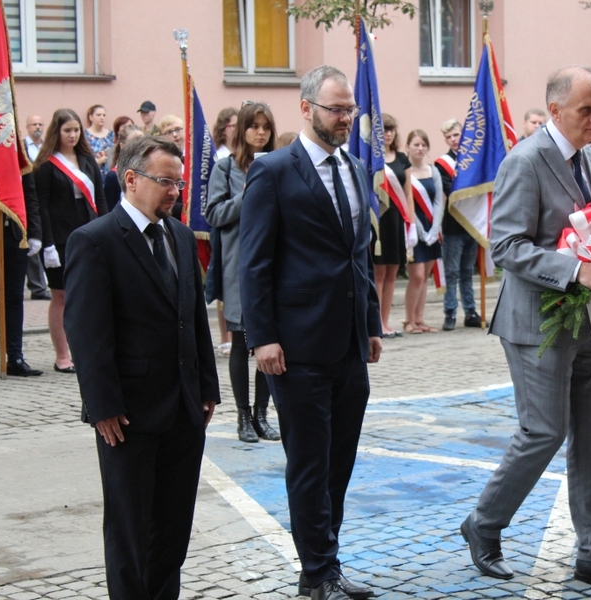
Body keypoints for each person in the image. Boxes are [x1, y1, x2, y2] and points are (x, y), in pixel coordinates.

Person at [459, 65, 591, 590]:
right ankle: (483, 524)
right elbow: (505, 246)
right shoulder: (524, 160)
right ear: (554, 112)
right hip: (538, 322)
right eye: (587, 111)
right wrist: (572, 270)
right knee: (543, 431)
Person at [239, 65, 381, 600]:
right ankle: (320, 573)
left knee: (338, 465)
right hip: (294, 347)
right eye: (336, 110)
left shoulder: (355, 168)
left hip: (347, 344)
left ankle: (322, 566)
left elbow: (358, 254)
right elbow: (253, 263)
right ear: (306, 108)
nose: (346, 119)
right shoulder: (273, 170)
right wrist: (262, 337)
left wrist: (369, 323)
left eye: (350, 110)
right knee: (309, 463)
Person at [63, 135, 221, 599]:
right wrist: (101, 406)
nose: (175, 192)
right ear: (130, 179)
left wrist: (206, 385)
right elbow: (87, 333)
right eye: (165, 181)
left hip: (184, 409)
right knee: (131, 535)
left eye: (180, 182)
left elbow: (193, 316)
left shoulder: (178, 234)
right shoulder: (95, 241)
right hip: (128, 415)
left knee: (172, 534)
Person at [205, 101, 280, 444]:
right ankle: (243, 416)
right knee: (241, 340)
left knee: (269, 338)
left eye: (266, 126)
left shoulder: (281, 164)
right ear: (241, 130)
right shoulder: (225, 169)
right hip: (239, 262)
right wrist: (247, 195)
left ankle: (263, 413)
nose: (260, 132)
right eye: (254, 126)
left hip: (274, 261)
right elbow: (214, 214)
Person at [34, 109, 108, 374]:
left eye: (76, 130)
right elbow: (42, 206)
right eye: (67, 130)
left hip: (88, 231)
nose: (73, 135)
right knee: (61, 295)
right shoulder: (45, 165)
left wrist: (108, 231)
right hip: (60, 236)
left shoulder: (87, 160)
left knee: (90, 294)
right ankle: (62, 355)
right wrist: (47, 243)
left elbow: (99, 199)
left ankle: (86, 351)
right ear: (57, 132)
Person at [0, 172, 44, 378]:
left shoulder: (16, 153)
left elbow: (30, 195)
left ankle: (15, 357)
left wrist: (35, 232)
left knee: (14, 298)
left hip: (15, 234)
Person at [435, 118, 482, 330]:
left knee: (467, 271)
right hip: (453, 224)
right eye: (449, 137)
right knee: (451, 272)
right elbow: (450, 189)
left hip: (473, 222)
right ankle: (450, 312)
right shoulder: (442, 163)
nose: (454, 140)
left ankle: (471, 312)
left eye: (456, 135)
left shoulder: (474, 160)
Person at [376, 113, 414, 337]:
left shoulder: (402, 160)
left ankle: (385, 321)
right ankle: (376, 324)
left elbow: (408, 194)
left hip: (397, 222)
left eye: (390, 130)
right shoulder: (372, 159)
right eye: (383, 130)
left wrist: (412, 224)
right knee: (378, 274)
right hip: (379, 223)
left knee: (392, 272)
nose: (388, 134)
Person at [403, 129, 443, 334]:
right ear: (407, 147)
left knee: (425, 275)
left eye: (423, 145)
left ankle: (419, 319)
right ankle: (408, 320)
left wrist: (435, 229)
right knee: (416, 275)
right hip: (412, 229)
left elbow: (438, 201)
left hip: (432, 230)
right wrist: (420, 231)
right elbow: (407, 202)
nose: (420, 148)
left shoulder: (433, 170)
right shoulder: (404, 172)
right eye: (416, 144)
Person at [23, 115, 51, 301]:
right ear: (27, 127)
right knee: (32, 242)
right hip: (27, 200)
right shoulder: (22, 147)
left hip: (45, 199)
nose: (38, 127)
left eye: (41, 124)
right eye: (34, 124)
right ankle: (38, 286)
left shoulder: (47, 148)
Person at [103, 124, 144, 211]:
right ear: (122, 146)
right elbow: (110, 210)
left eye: (143, 141)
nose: (140, 145)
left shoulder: (148, 172)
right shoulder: (113, 176)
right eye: (134, 141)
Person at [84, 105, 114, 177]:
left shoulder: (111, 134)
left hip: (110, 175)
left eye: (104, 115)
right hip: (93, 174)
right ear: (91, 117)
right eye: (98, 115)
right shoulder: (85, 135)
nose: (102, 117)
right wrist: (97, 161)